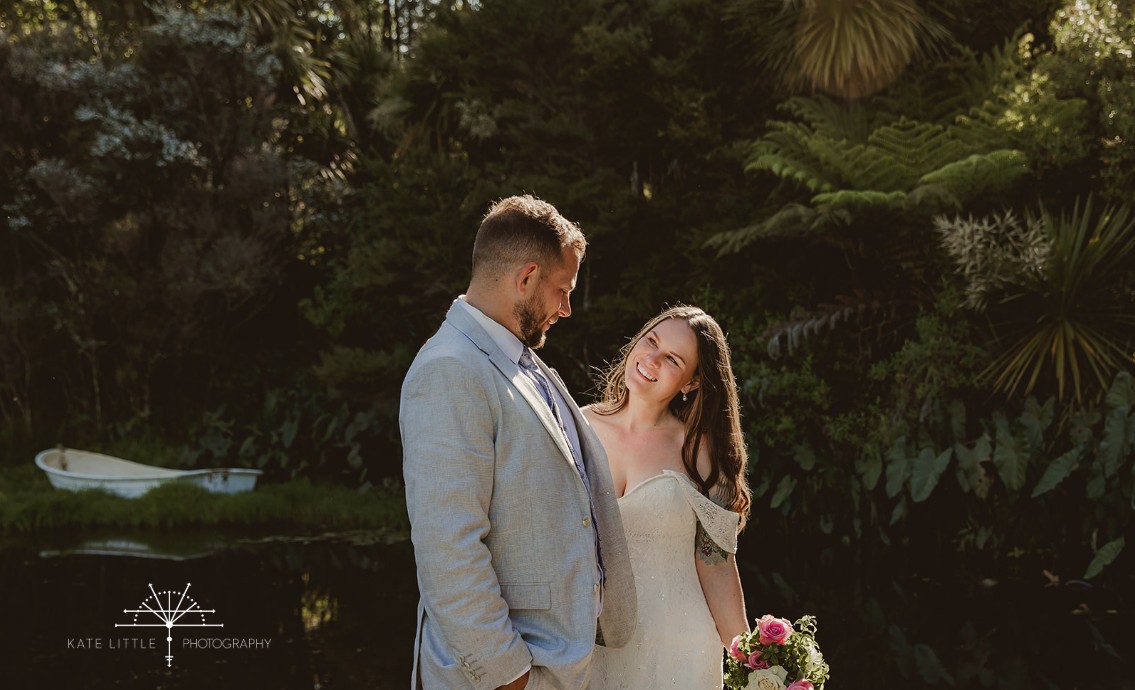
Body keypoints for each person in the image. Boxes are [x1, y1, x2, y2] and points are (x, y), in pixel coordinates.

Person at [400, 195, 636, 690]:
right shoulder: (449, 369)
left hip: (561, 663)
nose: (566, 309)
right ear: (526, 277)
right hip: (503, 677)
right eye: (562, 290)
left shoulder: (523, 363)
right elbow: (448, 547)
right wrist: (511, 676)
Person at [585, 305, 752, 689]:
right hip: (588, 647)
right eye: (651, 341)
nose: (652, 359)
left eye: (673, 359)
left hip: (679, 653)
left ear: (691, 383)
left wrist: (755, 663)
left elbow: (717, 566)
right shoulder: (574, 428)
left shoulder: (702, 454)